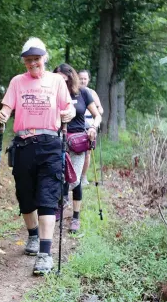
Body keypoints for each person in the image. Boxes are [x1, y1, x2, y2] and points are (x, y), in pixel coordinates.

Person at [0, 37, 75, 275]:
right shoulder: (17, 82)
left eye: (37, 59)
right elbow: (7, 107)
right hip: (23, 144)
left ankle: (45, 253)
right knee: (25, 194)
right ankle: (32, 235)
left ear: (45, 59)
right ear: (24, 62)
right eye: (28, 59)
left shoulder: (56, 81)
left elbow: (68, 106)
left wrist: (68, 113)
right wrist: (2, 113)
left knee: (48, 197)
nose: (33, 63)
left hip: (50, 143)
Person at [53, 64, 101, 234]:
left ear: (70, 76)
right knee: (58, 176)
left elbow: (97, 115)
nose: (60, 81)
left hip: (78, 141)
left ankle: (75, 216)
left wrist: (93, 128)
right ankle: (60, 205)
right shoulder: (54, 94)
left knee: (75, 180)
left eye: (63, 78)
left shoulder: (83, 93)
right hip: (58, 140)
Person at [78, 70, 104, 186]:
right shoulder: (73, 91)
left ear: (88, 80)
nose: (83, 81)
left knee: (87, 153)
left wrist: (96, 113)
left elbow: (100, 109)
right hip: (76, 125)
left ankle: (83, 177)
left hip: (90, 126)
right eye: (80, 78)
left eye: (85, 79)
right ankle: (74, 176)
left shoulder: (92, 92)